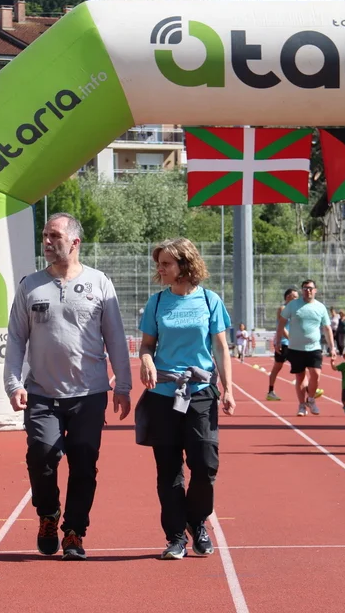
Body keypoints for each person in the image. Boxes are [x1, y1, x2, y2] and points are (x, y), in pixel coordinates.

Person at [3, 212, 132, 562]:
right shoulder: (30, 285)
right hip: (41, 393)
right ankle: (48, 515)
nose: (46, 241)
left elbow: (115, 338)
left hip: (89, 394)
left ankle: (75, 530)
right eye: (45, 235)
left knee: (84, 464)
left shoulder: (99, 282)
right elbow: (15, 338)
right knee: (43, 455)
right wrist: (13, 383)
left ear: (75, 242)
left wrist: (123, 385)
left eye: (54, 236)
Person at [136, 238, 234, 560]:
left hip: (200, 392)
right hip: (163, 393)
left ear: (185, 265)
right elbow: (147, 344)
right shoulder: (157, 303)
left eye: (166, 263)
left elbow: (220, 347)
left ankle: (197, 520)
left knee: (205, 464)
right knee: (169, 469)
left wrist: (229, 389)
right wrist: (146, 360)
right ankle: (176, 536)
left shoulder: (209, 300)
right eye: (159, 263)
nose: (160, 269)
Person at [277, 279, 335, 416]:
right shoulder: (293, 305)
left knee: (316, 374)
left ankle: (311, 399)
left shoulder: (320, 307)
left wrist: (332, 347)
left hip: (314, 347)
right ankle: (302, 405)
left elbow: (327, 328)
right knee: (300, 377)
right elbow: (282, 322)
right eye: (305, 288)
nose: (307, 291)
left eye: (310, 288)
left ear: (315, 290)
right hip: (295, 348)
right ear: (302, 290)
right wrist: (278, 340)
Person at [266, 288, 298, 402]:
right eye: (295, 297)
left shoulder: (295, 310)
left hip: (292, 343)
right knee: (277, 367)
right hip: (284, 343)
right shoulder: (282, 309)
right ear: (288, 297)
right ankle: (270, 391)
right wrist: (290, 339)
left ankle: (310, 390)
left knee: (300, 366)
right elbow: (282, 327)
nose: (297, 299)